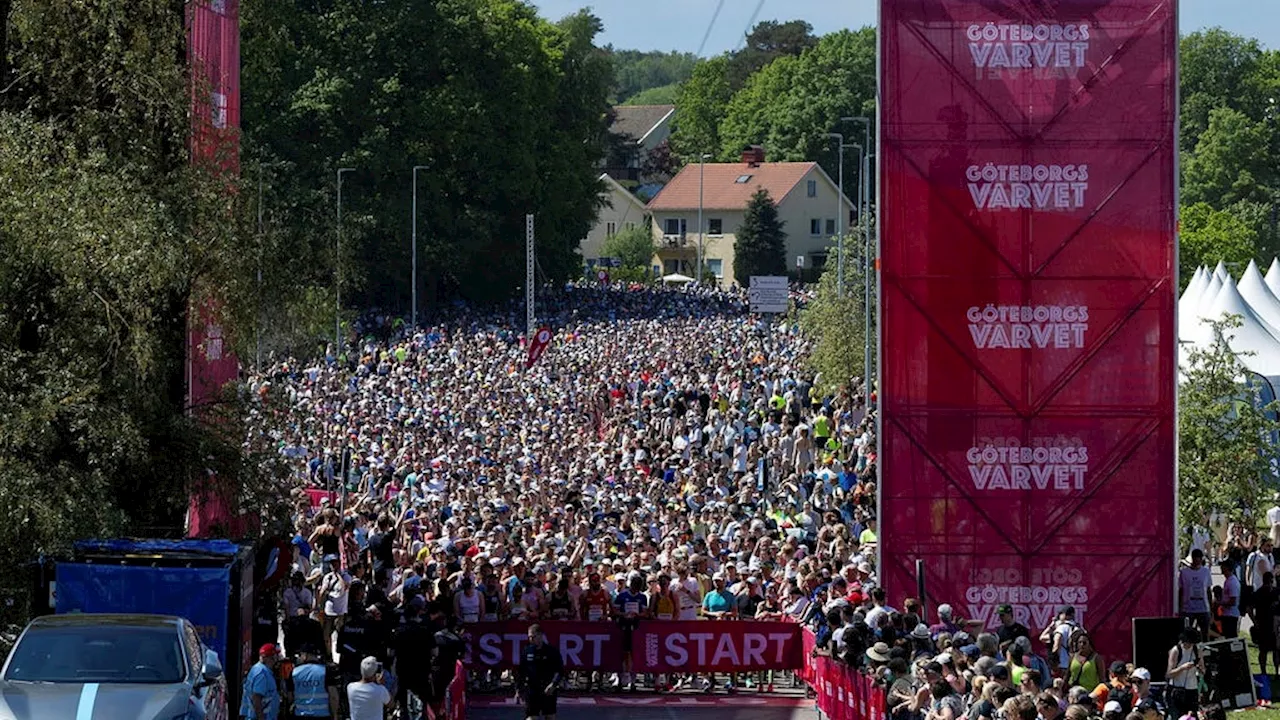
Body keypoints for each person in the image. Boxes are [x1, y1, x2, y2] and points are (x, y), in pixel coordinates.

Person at [517, 624, 564, 720]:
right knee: (532, 718)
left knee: (550, 717)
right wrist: (518, 690)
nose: (531, 639)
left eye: (533, 637)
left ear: (541, 636)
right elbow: (521, 672)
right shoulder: (526, 651)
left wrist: (553, 684)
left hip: (548, 689)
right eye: (529, 637)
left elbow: (560, 671)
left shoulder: (552, 651)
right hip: (532, 689)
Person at [1166, 628, 1204, 720]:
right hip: (1177, 690)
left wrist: (1199, 668)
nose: (1190, 645)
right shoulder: (1176, 651)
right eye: (1188, 643)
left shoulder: (1196, 650)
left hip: (1192, 689)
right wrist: (1182, 668)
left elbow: (1203, 670)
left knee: (1193, 716)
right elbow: (1169, 674)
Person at [290, 649, 339, 718]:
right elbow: (333, 696)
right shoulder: (325, 671)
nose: (299, 658)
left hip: (300, 715)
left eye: (300, 655)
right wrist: (335, 715)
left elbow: (290, 696)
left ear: (305, 655)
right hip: (322, 715)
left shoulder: (294, 672)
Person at [240, 644, 281, 720]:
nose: (276, 658)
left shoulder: (258, 669)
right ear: (268, 658)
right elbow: (256, 698)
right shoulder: (262, 673)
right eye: (275, 656)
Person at [1178, 549, 1212, 637]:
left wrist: (1210, 607)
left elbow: (1208, 590)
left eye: (1199, 559)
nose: (1197, 561)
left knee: (1205, 633)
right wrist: (1180, 607)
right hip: (1188, 608)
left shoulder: (1206, 572)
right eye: (1195, 559)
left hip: (1203, 608)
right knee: (1187, 634)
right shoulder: (1184, 572)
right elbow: (1181, 590)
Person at [347, 656, 393, 720]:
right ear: (375, 673)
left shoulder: (350, 687)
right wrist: (381, 685)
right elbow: (391, 704)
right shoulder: (381, 690)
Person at [1251, 571, 1278, 675]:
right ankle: (1276, 671)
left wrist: (1254, 620)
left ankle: (1263, 672)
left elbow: (1249, 608)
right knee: (1275, 650)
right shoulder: (1275, 592)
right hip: (1273, 624)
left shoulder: (1258, 592)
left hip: (1261, 624)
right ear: (1272, 580)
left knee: (1263, 651)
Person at [1219, 560, 1241, 638]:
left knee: (1230, 636)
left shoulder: (1232, 582)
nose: (1221, 568)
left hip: (1231, 615)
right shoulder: (1227, 581)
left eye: (1223, 566)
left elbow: (1233, 601)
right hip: (1226, 614)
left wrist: (1220, 603)